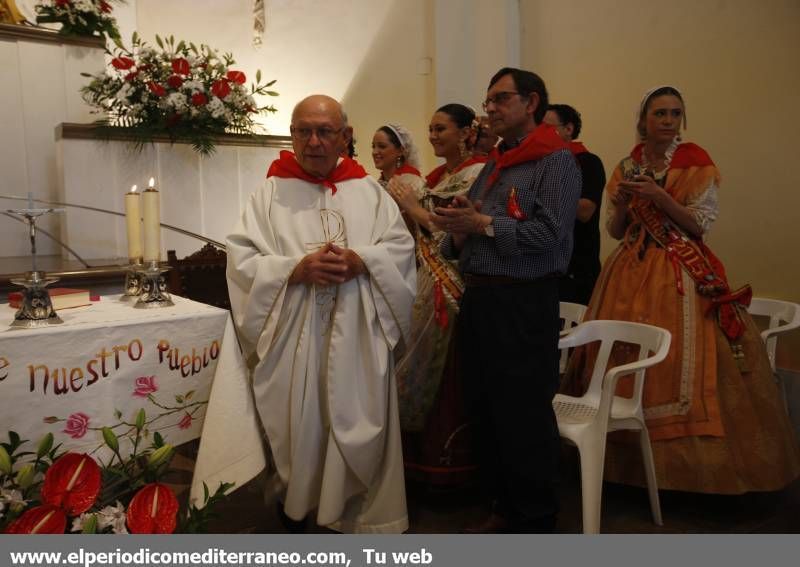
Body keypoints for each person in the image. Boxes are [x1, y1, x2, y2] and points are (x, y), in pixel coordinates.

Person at [562, 86, 800, 494]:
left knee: (684, 365)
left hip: (679, 272)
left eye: (675, 114)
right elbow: (616, 231)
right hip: (626, 270)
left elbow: (699, 226)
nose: (668, 121)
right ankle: (616, 467)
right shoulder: (626, 164)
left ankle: (685, 475)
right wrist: (621, 204)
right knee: (615, 359)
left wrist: (659, 197)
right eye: (659, 114)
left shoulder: (696, 163)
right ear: (644, 121)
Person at [226, 94, 417, 533]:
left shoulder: (370, 191)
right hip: (294, 335)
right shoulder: (269, 194)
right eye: (303, 131)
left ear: (344, 136)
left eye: (324, 131)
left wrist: (362, 260)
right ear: (291, 135)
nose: (313, 141)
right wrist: (294, 268)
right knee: (299, 426)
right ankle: (300, 506)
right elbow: (241, 261)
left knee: (359, 420)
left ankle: (359, 517)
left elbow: (400, 249)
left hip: (358, 335)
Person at [433, 68, 581, 532]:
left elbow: (550, 236)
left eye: (500, 99)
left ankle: (535, 518)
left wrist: (483, 225)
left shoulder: (555, 161)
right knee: (484, 408)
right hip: (481, 299)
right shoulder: (497, 162)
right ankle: (501, 506)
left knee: (522, 413)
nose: (490, 108)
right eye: (488, 99)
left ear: (531, 102)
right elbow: (459, 239)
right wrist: (461, 225)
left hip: (522, 302)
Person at [384, 103, 487, 487]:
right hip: (426, 277)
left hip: (454, 282)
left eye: (441, 128)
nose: (433, 135)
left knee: (448, 373)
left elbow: (449, 233)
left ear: (465, 133)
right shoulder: (438, 175)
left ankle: (450, 470)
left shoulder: (477, 173)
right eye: (430, 128)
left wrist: (410, 205)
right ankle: (415, 467)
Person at [543, 104, 606, 305]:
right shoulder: (539, 162)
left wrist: (539, 195)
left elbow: (585, 210)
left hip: (577, 267)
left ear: (568, 129)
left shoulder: (588, 162)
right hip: (544, 267)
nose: (539, 134)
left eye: (545, 128)